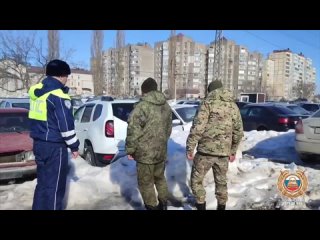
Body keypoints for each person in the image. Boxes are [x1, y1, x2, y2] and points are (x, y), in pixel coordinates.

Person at [28, 59, 80, 210]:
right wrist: (74, 146)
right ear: (61, 75)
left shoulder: (37, 93)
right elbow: (66, 125)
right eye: (67, 76)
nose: (67, 79)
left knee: (43, 185)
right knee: (55, 188)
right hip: (54, 147)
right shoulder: (58, 96)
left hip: (38, 143)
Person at [186, 80, 243, 210]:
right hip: (223, 154)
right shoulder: (232, 106)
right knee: (221, 183)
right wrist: (232, 151)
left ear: (210, 91)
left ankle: (201, 205)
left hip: (205, 152)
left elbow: (197, 128)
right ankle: (221, 207)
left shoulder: (207, 103)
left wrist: (190, 147)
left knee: (196, 181)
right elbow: (238, 131)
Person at [126, 77, 172, 210]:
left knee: (146, 183)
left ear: (144, 91)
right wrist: (162, 142)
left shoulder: (142, 107)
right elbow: (168, 129)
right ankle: (163, 205)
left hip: (145, 154)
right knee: (160, 178)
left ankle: (152, 207)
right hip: (160, 152)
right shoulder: (166, 106)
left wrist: (130, 149)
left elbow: (133, 130)